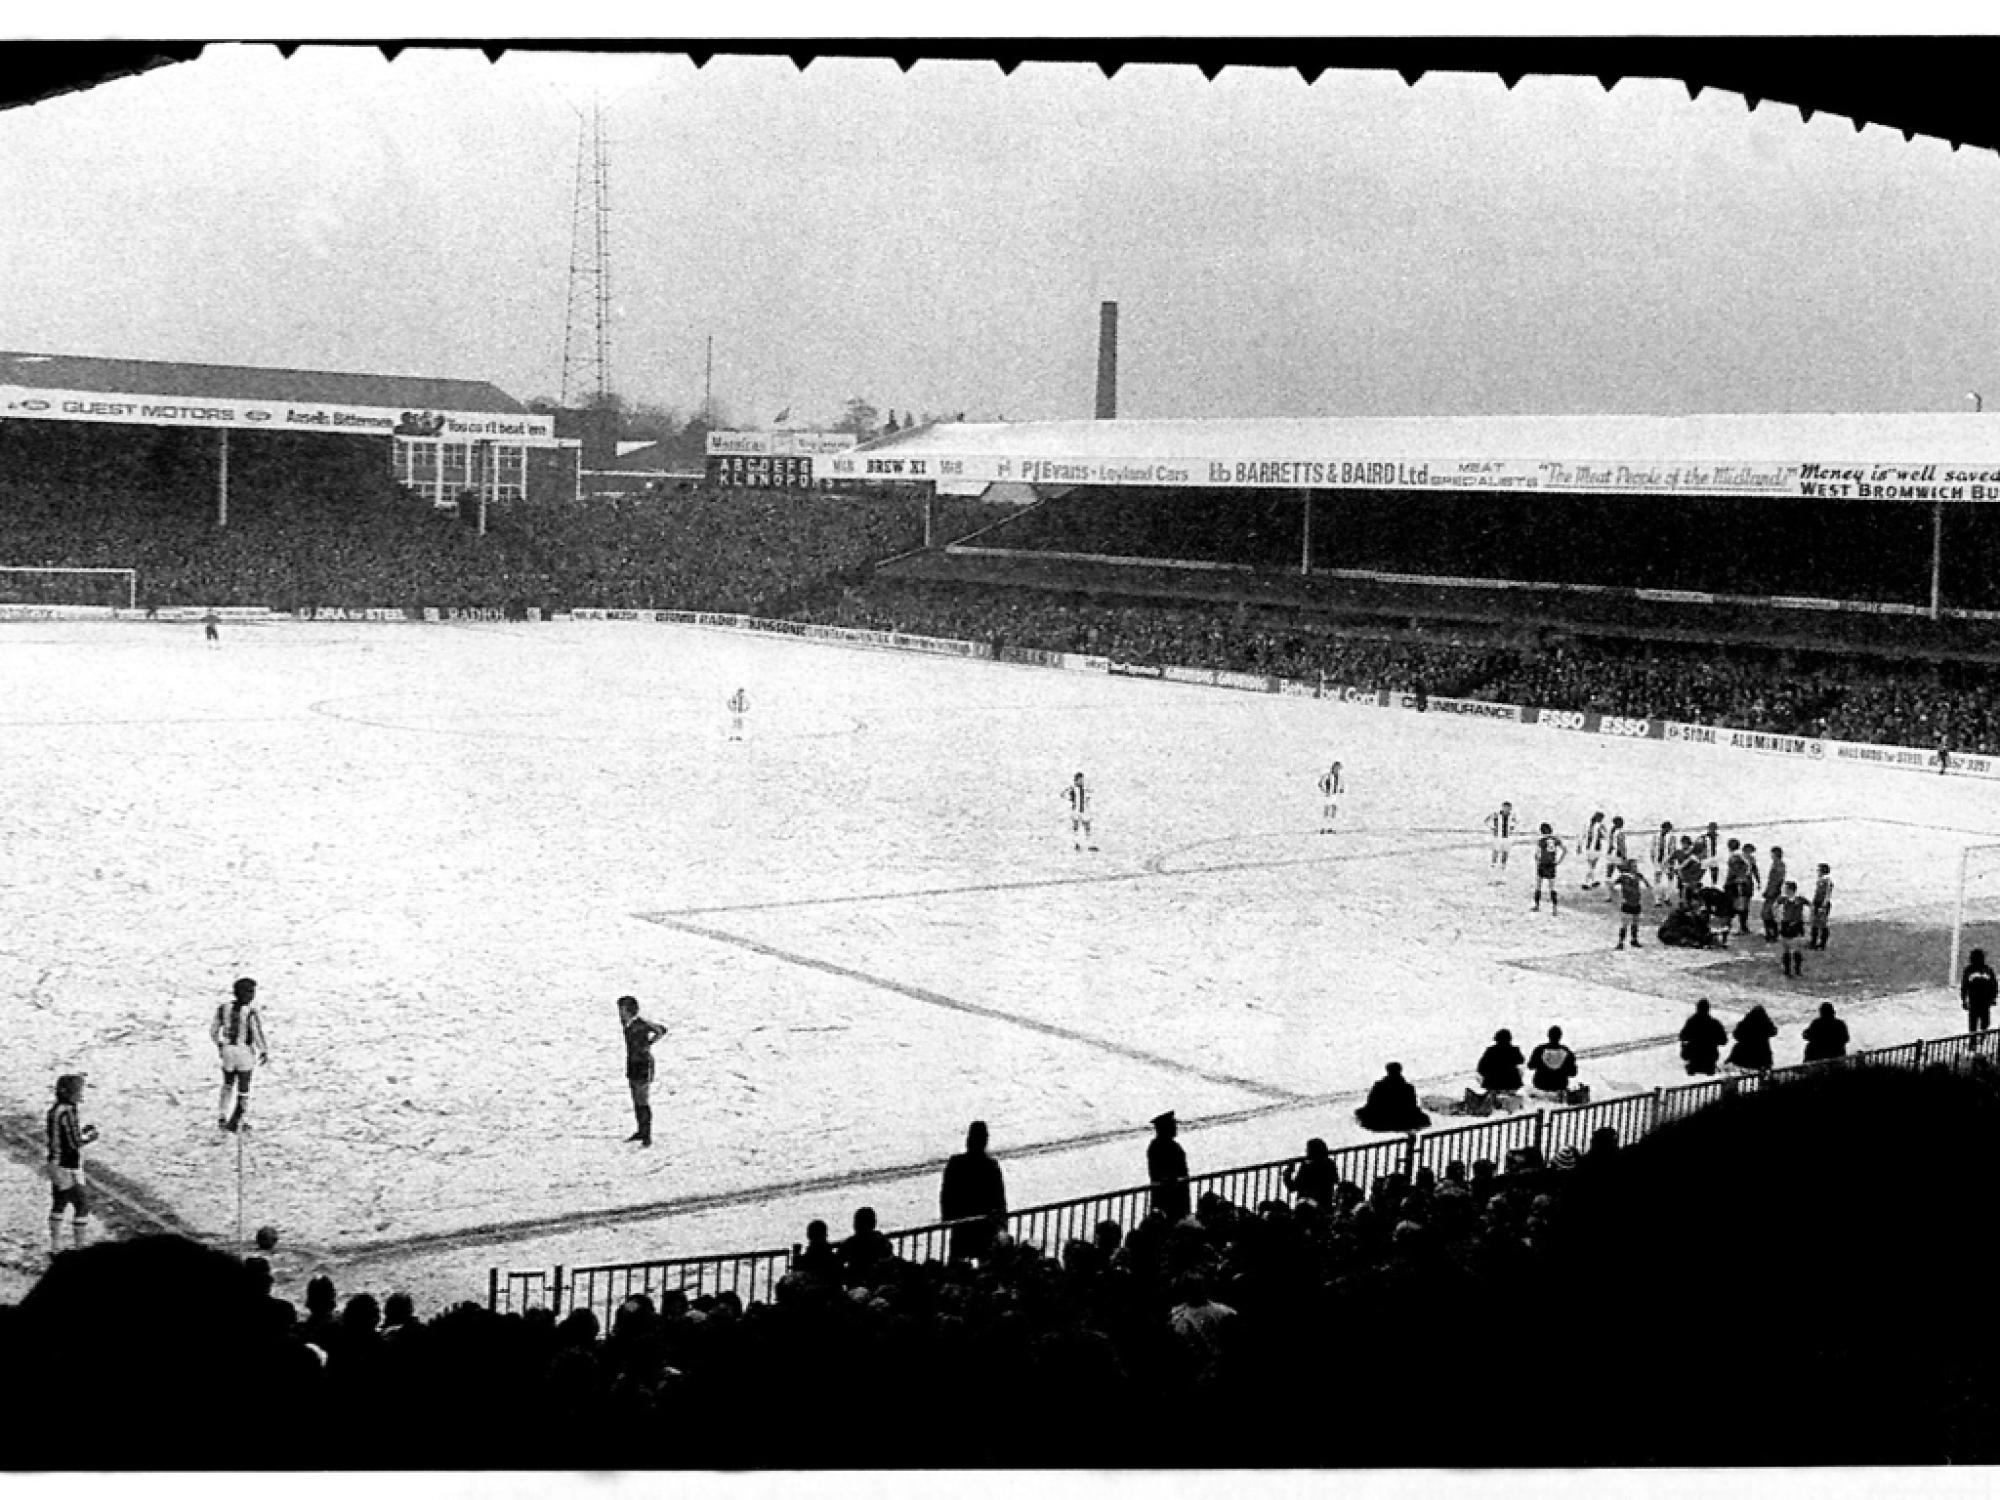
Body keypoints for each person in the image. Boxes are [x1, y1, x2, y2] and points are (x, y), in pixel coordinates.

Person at [938, 1119, 1007, 1262]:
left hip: (963, 1226)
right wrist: (1001, 1225)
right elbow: (999, 1200)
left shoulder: (956, 1163)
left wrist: (949, 1217)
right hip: (984, 1226)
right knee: (985, 1262)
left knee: (959, 1263)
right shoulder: (990, 1165)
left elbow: (946, 1196)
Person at [45, 1073, 98, 1256]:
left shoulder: (56, 1110)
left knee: (59, 1203)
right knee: (82, 1204)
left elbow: (64, 1137)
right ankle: (79, 1248)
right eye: (78, 1091)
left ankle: (55, 1246)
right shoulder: (66, 1112)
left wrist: (80, 1133)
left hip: (56, 1162)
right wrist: (89, 1137)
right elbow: (74, 1142)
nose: (80, 1094)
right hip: (67, 1166)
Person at [210, 977, 268, 1133]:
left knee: (228, 1083)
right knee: (244, 1086)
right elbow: (256, 1033)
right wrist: (263, 1050)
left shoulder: (223, 1009)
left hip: (228, 1050)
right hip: (244, 1052)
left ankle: (222, 1116)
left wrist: (220, 1044)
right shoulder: (250, 1013)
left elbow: (213, 1031)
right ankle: (239, 1120)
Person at [616, 995, 667, 1147]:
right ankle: (641, 1130)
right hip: (633, 1064)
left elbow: (661, 1030)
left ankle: (646, 1134)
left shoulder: (640, 1024)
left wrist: (649, 1043)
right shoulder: (627, 1024)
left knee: (642, 1099)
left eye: (622, 1010)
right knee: (636, 1098)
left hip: (643, 1064)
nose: (620, 1013)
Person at [1354, 1062, 1430, 1132]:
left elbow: (1372, 1103)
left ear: (1388, 1071)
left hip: (1383, 1116)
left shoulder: (1379, 1086)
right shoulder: (1408, 1087)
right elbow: (1412, 1105)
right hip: (1403, 1117)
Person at [1147, 1111, 1191, 1223]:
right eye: (1173, 1125)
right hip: (1168, 1198)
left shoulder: (1171, 1145)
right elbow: (1158, 1173)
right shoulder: (1158, 1147)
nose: (1175, 1128)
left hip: (1177, 1196)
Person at [1281, 1137, 1338, 1207]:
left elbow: (1292, 1187)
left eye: (1307, 1150)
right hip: (1325, 1204)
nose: (1306, 1151)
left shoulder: (1307, 1167)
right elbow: (1335, 1180)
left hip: (1307, 1206)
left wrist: (1288, 1172)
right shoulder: (1330, 1164)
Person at [1679, 999, 1727, 1076]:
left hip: (1694, 1055)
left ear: (1697, 1008)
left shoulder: (1691, 1022)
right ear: (1708, 1009)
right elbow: (1724, 1041)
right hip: (1710, 1056)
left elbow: (1682, 1036)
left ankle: (1693, 1066)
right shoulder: (1714, 1023)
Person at [1612, 858, 1651, 949]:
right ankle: (1621, 942)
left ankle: (1634, 940)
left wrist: (1646, 886)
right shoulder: (1624, 876)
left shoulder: (1638, 875)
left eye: (1636, 866)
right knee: (1624, 923)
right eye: (1634, 866)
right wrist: (1618, 895)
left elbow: (1647, 884)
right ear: (1629, 867)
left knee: (1635, 922)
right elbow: (1613, 884)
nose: (1635, 868)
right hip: (1627, 902)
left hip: (1636, 901)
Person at [1727, 1004, 1777, 1072]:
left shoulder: (1745, 1022)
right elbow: (1773, 1032)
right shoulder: (1765, 1024)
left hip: (1743, 1053)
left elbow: (1736, 1035)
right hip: (1762, 1054)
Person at [1527, 1026, 1577, 1094]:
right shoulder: (1566, 1051)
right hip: (1560, 1085)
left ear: (1548, 1035)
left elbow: (1530, 1066)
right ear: (1560, 1036)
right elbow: (1573, 1073)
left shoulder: (1539, 1049)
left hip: (1540, 1084)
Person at [1776, 880, 1811, 977]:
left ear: (1790, 890)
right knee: (1786, 947)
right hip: (1786, 924)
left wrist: (1808, 918)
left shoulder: (1800, 899)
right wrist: (1778, 917)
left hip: (1796, 924)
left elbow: (1811, 905)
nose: (1784, 890)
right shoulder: (1783, 899)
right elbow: (1774, 906)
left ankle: (1797, 970)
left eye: (1786, 888)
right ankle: (1787, 971)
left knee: (1796, 947)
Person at [1531, 823, 1567, 912]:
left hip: (1542, 864)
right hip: (1552, 864)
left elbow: (1536, 854)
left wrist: (1537, 861)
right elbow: (1565, 850)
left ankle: (1537, 905)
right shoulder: (1555, 840)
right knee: (1552, 887)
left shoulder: (1541, 841)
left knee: (1538, 885)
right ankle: (1554, 908)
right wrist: (1559, 861)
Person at [1476, 1028, 1525, 1094]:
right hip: (1511, 1083)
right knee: (1520, 1070)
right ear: (1509, 1039)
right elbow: (1521, 1061)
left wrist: (1487, 1075)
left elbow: (1480, 1068)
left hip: (1492, 1083)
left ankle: (1492, 1093)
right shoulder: (1514, 1050)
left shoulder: (1490, 1051)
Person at [1962, 947, 1998, 1034]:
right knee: (1975, 1023)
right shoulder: (1970, 970)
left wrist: (1993, 998)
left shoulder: (1987, 970)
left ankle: (1979, 1037)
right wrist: (1964, 1000)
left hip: (1982, 1001)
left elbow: (1994, 986)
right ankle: (1975, 1039)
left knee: (1982, 1023)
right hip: (1976, 1001)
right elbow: (1964, 986)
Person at [1761, 845, 1788, 943]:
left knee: (1767, 913)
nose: (1771, 855)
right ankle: (1770, 934)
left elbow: (1777, 881)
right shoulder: (1776, 864)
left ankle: (1772, 935)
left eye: (1772, 854)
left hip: (1773, 892)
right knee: (1766, 913)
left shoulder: (1779, 865)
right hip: (1771, 891)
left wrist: (1770, 892)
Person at [1066, 771, 1097, 853]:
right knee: (1076, 828)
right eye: (1080, 780)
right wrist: (1071, 799)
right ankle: (1076, 843)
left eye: (1082, 780)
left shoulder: (1085, 789)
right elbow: (1064, 795)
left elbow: (1089, 797)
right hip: (1076, 811)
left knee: (1087, 827)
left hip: (1084, 810)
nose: (1082, 781)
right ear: (1076, 780)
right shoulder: (1073, 789)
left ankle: (1089, 844)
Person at [1485, 800, 1515, 881]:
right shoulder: (1496, 814)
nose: (1507, 809)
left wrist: (1512, 829)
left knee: (1505, 855)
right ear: (1503, 807)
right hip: (1498, 837)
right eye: (1505, 808)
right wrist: (1492, 827)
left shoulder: (1512, 816)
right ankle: (1492, 874)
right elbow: (1486, 820)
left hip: (1507, 838)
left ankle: (1502, 875)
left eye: (1508, 808)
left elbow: (1514, 824)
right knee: (1495, 854)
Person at [1649, 821, 1677, 904]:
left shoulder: (1672, 837)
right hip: (1658, 860)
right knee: (1657, 879)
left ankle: (1667, 897)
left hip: (1668, 860)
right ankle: (1657, 899)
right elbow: (1652, 848)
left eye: (1669, 829)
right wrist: (1653, 858)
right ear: (1663, 828)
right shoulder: (1656, 836)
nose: (1668, 831)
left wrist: (1672, 860)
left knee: (1670, 878)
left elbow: (1673, 849)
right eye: (1666, 829)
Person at [1580, 811, 1608, 889]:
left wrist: (1579, 846)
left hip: (1588, 847)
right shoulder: (1599, 826)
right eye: (1601, 818)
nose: (1602, 820)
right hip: (1596, 848)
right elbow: (1605, 836)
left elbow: (1582, 836)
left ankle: (1591, 881)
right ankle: (1586, 882)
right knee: (1592, 866)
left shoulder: (1587, 824)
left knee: (1591, 866)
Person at [1809, 863, 1834, 951]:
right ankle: (1813, 942)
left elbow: (1827, 895)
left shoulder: (1827, 881)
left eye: (1818, 870)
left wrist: (1823, 906)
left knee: (1822, 924)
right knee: (1814, 923)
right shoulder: (1820, 880)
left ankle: (1822, 944)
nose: (1817, 872)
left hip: (1822, 904)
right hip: (1817, 903)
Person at [1318, 760, 1343, 833]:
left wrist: (1341, 790)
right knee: (1327, 810)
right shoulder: (1328, 775)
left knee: (1334, 810)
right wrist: (1325, 791)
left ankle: (1330, 827)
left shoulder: (1339, 777)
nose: (1338, 770)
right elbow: (1320, 784)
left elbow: (1340, 785)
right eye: (1337, 768)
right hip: (1328, 795)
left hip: (1335, 795)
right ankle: (1323, 827)